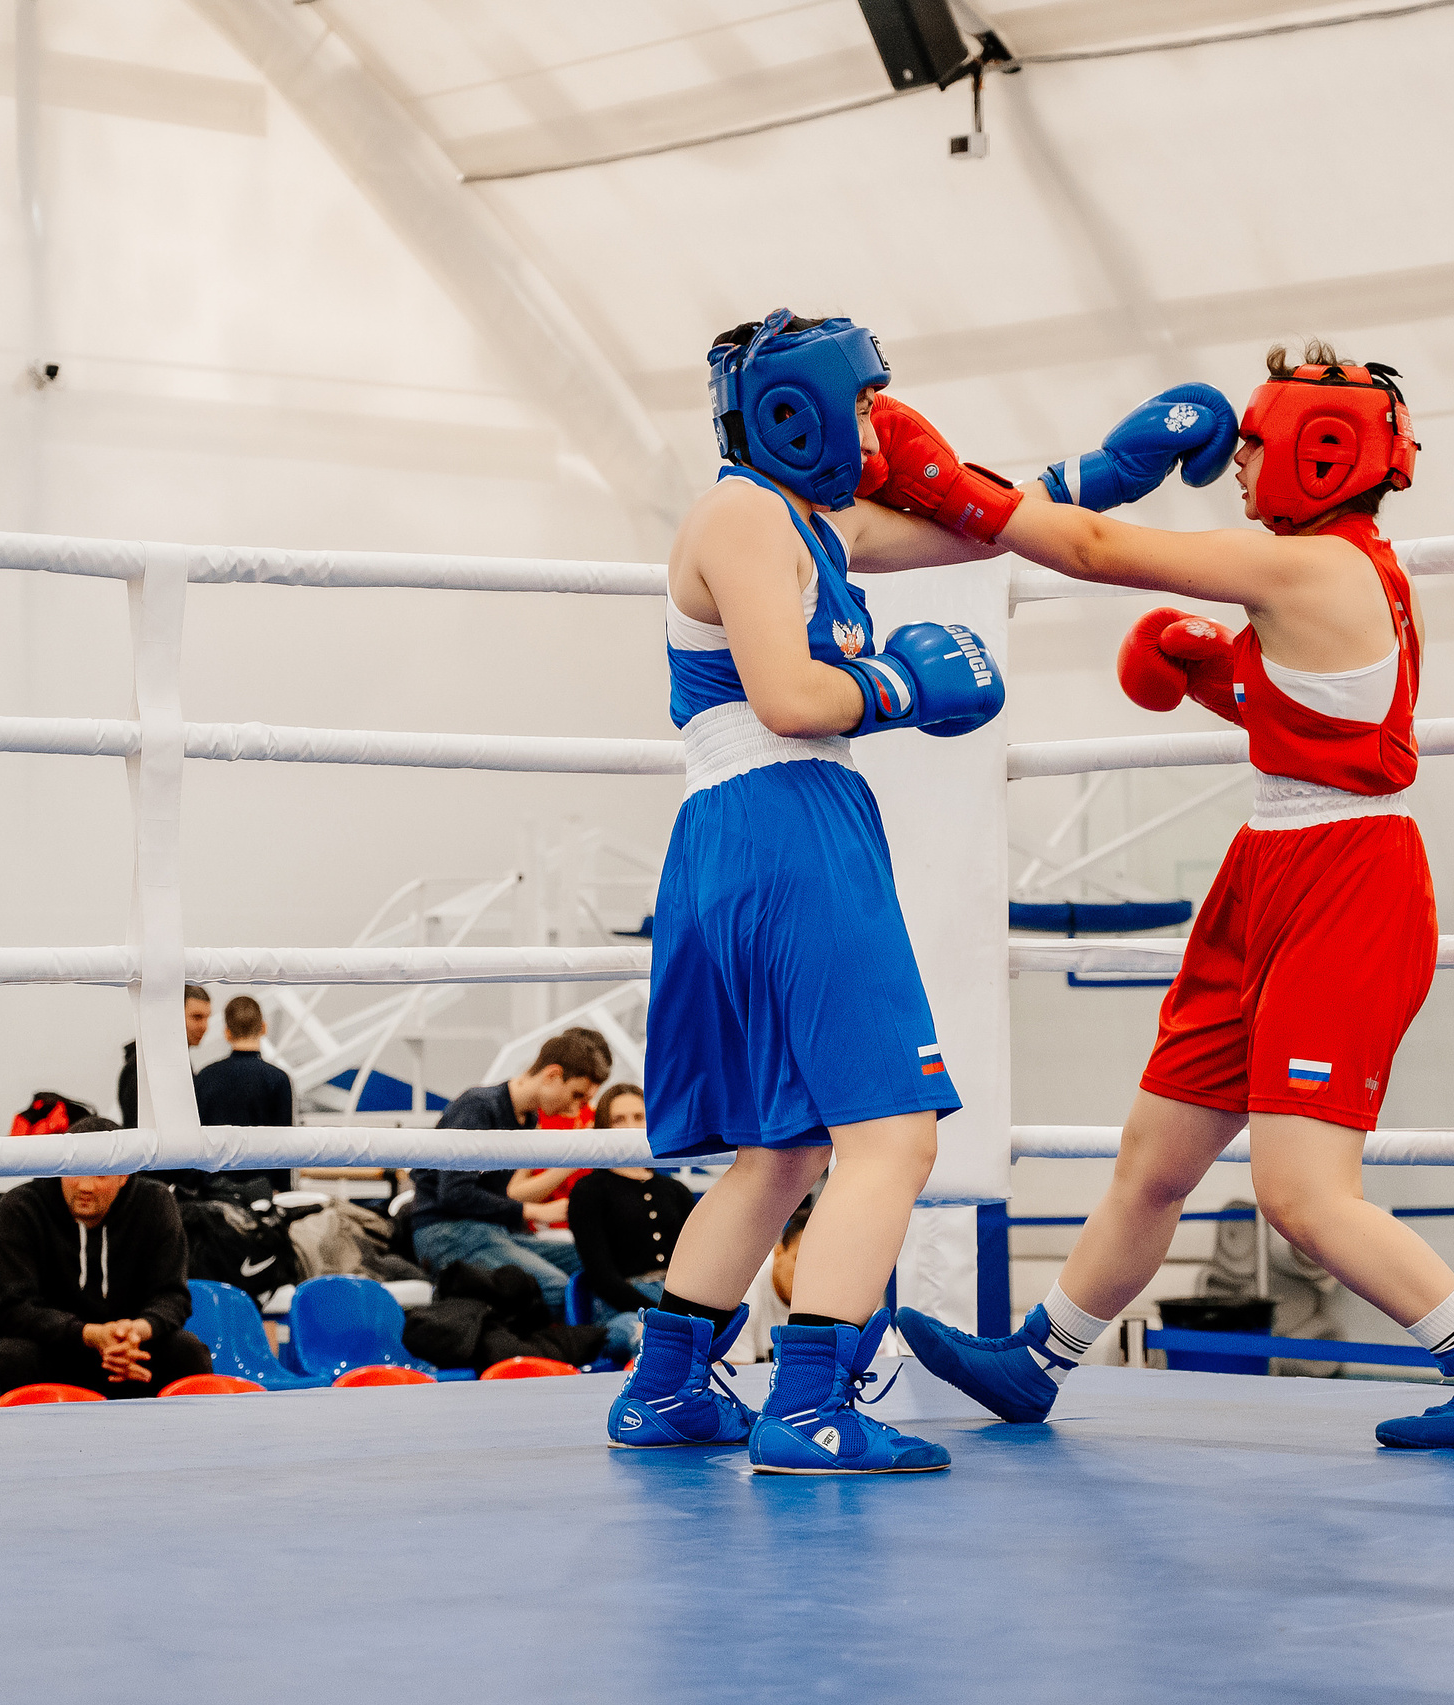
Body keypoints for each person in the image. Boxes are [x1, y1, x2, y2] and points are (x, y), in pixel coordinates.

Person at [881, 345, 1454, 1452]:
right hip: (1269, 868)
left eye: (1254, 440)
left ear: (1318, 449)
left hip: (1348, 884)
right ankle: (1037, 1361)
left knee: (1301, 1191)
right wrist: (1217, 675)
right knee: (1153, 1162)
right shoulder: (1321, 579)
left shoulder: (1318, 567)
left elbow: (1096, 546)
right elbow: (1319, 736)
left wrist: (948, 481)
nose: (1236, 460)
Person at [605, 309, 1010, 1476]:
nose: (877, 422)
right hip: (783, 814)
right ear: (799, 409)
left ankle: (672, 1385)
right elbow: (790, 696)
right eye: (865, 401)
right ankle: (813, 1401)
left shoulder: (803, 523)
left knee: (780, 1148)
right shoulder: (740, 515)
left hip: (754, 830)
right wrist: (898, 683)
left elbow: (972, 535)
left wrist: (1105, 477)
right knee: (891, 1133)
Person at [0, 1117, 211, 1398]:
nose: (85, 1186)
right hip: (57, 1349)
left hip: (130, 1351)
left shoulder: (156, 1203)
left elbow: (172, 1296)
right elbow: (16, 1307)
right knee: (11, 1357)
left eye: (100, 1175)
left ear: (124, 1176)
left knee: (188, 1352)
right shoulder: (21, 1207)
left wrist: (136, 1332)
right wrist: (90, 1335)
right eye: (75, 1172)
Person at [410, 1029, 608, 1311]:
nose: (577, 1109)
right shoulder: (478, 1107)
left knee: (593, 1260)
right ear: (552, 1075)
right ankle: (581, 1348)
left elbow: (496, 1193)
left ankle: (618, 1334)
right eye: (577, 1095)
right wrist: (532, 1211)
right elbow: (454, 1193)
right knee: (554, 1287)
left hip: (488, 1231)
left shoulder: (525, 1118)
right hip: (444, 1231)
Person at [565, 1084, 694, 1357]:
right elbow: (602, 1277)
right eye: (618, 1120)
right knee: (650, 1337)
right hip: (619, 1309)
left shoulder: (676, 1190)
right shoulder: (588, 1191)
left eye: (638, 1117)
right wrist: (660, 1313)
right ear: (603, 1127)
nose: (630, 1126)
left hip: (677, 1297)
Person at [186, 994, 297, 1193]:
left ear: (227, 1033)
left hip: (214, 1191)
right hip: (262, 1191)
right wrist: (283, 1192)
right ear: (263, 1028)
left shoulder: (205, 1077)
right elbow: (285, 1145)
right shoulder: (278, 1080)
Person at [724, 1199, 810, 1367]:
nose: (808, 1275)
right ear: (778, 1252)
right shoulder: (742, 1291)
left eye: (820, 1266)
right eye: (799, 1261)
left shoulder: (839, 1295)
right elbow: (735, 1381)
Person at [119, 983, 212, 1129]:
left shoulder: (173, 1061)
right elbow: (137, 1125)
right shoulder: (144, 1065)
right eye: (197, 1017)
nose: (204, 1026)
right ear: (174, 1015)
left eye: (207, 1018)